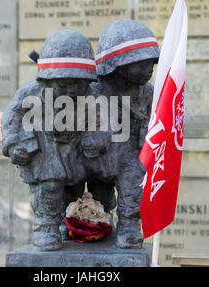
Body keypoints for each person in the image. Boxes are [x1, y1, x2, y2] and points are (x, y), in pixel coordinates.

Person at [1, 29, 97, 251]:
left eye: (78, 84)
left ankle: (67, 223)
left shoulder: (90, 95)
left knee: (74, 187)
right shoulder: (30, 92)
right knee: (51, 184)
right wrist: (16, 144)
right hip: (44, 145)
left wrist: (95, 137)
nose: (72, 90)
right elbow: (12, 118)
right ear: (47, 79)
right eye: (64, 84)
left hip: (74, 147)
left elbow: (100, 118)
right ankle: (46, 226)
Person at [81, 19, 160, 248]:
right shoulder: (92, 90)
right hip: (95, 157)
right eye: (141, 63)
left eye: (151, 63)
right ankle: (84, 224)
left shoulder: (147, 93)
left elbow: (156, 126)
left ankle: (129, 226)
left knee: (132, 183)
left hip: (128, 157)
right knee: (97, 197)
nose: (149, 69)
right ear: (119, 64)